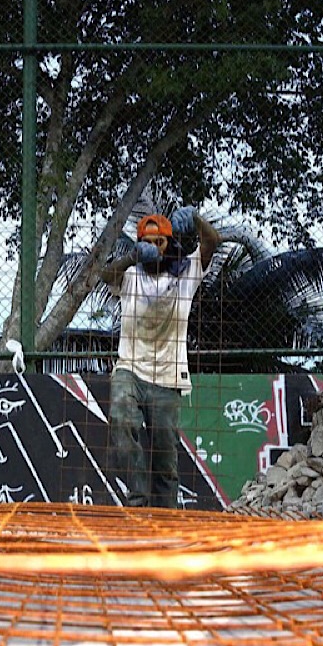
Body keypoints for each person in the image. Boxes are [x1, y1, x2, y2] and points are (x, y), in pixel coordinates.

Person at [98, 206, 220, 508]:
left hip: (168, 375)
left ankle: (166, 519)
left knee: (166, 455)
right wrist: (132, 257)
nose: (154, 247)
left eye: (159, 242)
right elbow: (104, 276)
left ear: (170, 241)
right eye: (147, 242)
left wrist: (195, 219)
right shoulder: (130, 277)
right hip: (130, 368)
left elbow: (212, 242)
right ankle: (137, 502)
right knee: (121, 419)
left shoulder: (187, 270)